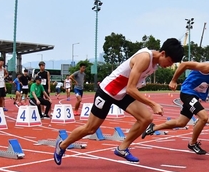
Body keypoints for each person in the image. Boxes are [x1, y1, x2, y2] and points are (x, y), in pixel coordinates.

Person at [53, 38, 184, 165]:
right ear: (162, 53)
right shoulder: (145, 58)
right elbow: (132, 88)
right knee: (90, 128)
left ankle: (122, 148)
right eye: (170, 61)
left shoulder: (155, 64)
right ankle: (62, 145)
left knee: (146, 118)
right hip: (108, 92)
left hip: (123, 93)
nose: (169, 66)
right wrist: (153, 104)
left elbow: (131, 87)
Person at [141, 54, 209, 154]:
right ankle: (192, 143)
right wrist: (173, 80)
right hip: (187, 93)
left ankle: (153, 128)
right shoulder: (207, 67)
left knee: (181, 123)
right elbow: (184, 65)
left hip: (194, 96)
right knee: (204, 117)